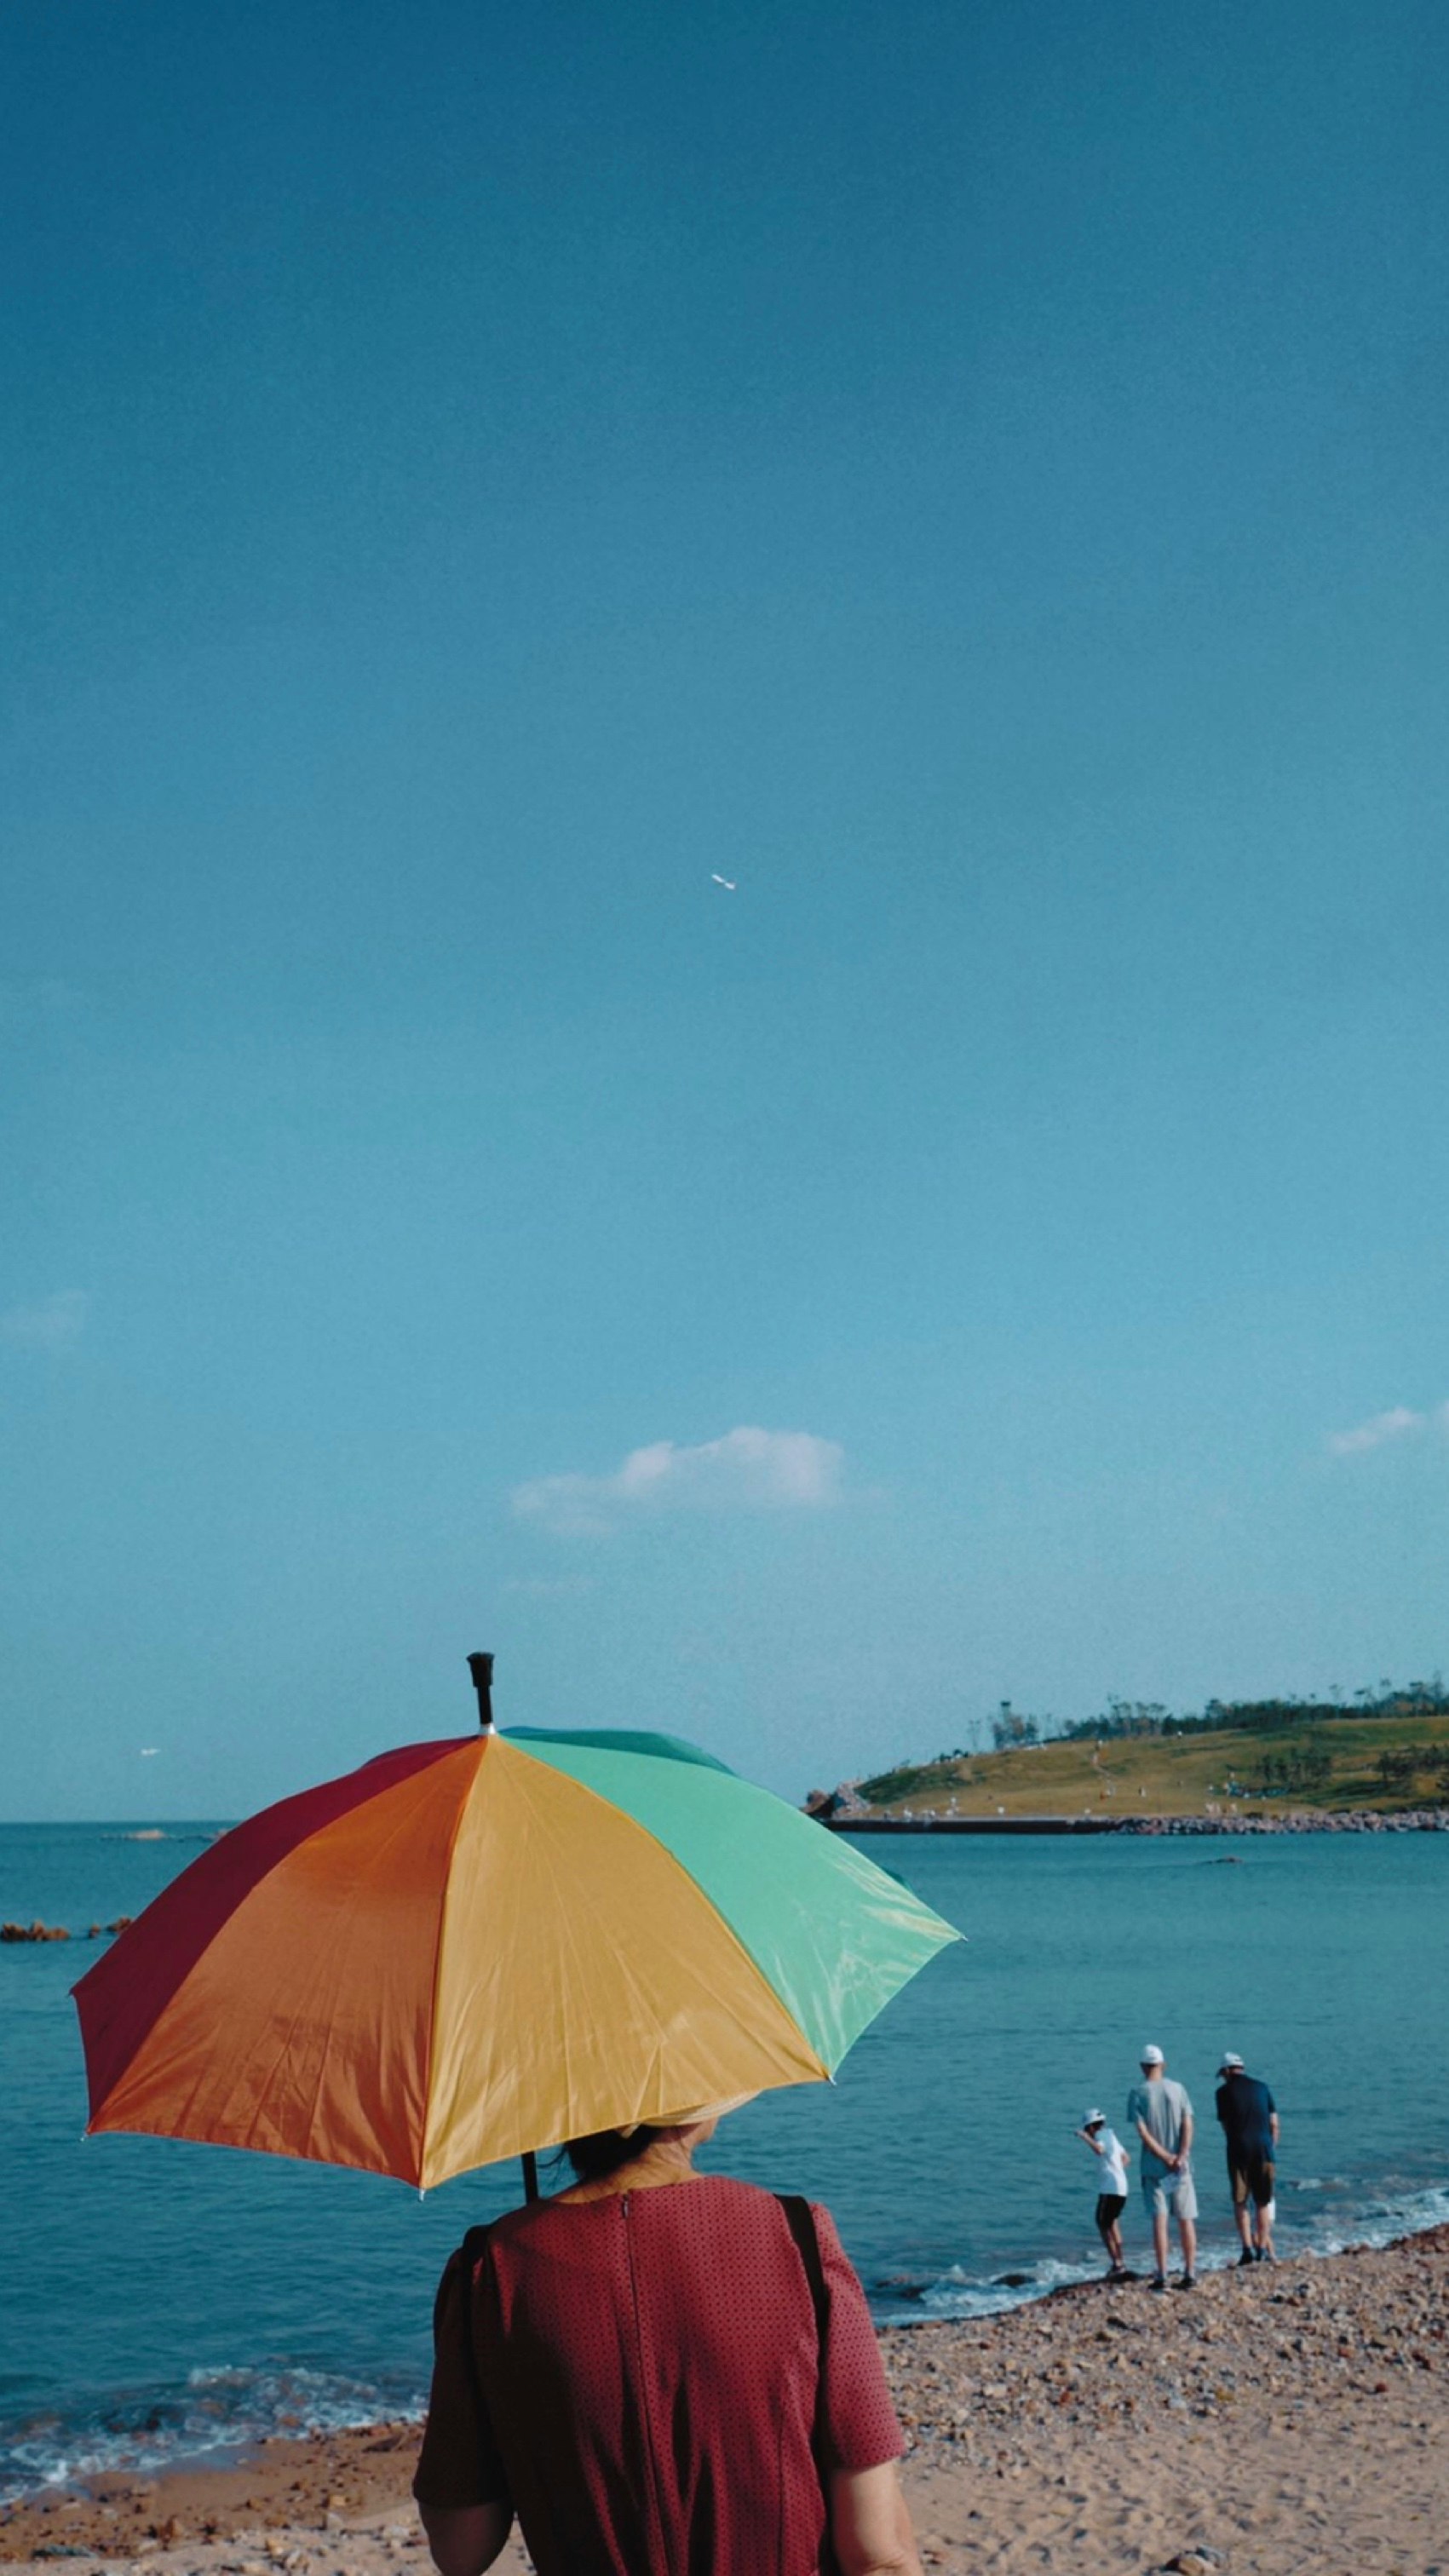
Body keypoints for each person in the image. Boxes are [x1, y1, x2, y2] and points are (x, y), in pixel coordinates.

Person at [412, 2098, 923, 2576]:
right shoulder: (797, 2237)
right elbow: (878, 2550)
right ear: (694, 2106)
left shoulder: (489, 2271)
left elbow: (460, 2547)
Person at [1127, 2044, 1198, 2291]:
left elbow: (1143, 2133)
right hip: (1181, 2166)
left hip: (1154, 2166)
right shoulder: (1178, 2089)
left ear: (1142, 2067)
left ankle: (1163, 2274)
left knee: (1160, 2219)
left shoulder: (1138, 2093)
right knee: (1186, 2219)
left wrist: (1165, 2156)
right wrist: (1181, 2154)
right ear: (1163, 2065)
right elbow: (1188, 2123)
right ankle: (1190, 2272)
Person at [1215, 2050, 1280, 2263]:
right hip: (1264, 2149)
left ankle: (1247, 2249)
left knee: (1240, 2201)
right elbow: (1274, 2124)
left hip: (1239, 2150)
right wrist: (1271, 2147)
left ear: (1226, 2071)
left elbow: (1226, 2126)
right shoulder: (1263, 2088)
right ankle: (1262, 2247)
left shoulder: (1223, 2093)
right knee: (1262, 2202)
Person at [1074, 2107, 1130, 2277]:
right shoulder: (1112, 2135)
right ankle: (1120, 2261)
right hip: (1121, 2187)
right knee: (1113, 2222)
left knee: (1102, 2224)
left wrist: (1085, 2139)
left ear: (1091, 2128)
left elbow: (1099, 2150)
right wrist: (1116, 2168)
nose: (1087, 2133)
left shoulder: (1099, 2136)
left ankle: (1117, 2264)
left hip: (1109, 2188)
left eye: (1086, 2130)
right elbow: (1126, 2158)